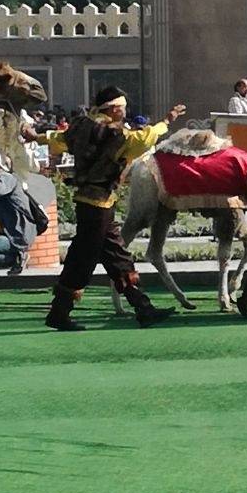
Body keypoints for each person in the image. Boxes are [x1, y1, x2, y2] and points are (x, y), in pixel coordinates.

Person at [31, 86, 187, 331]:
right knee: (81, 260)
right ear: (114, 109)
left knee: (117, 257)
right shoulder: (117, 134)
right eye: (122, 109)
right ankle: (59, 313)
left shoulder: (81, 126)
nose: (124, 114)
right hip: (97, 205)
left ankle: (143, 307)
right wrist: (166, 121)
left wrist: (36, 136)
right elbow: (145, 139)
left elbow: (59, 140)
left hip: (93, 202)